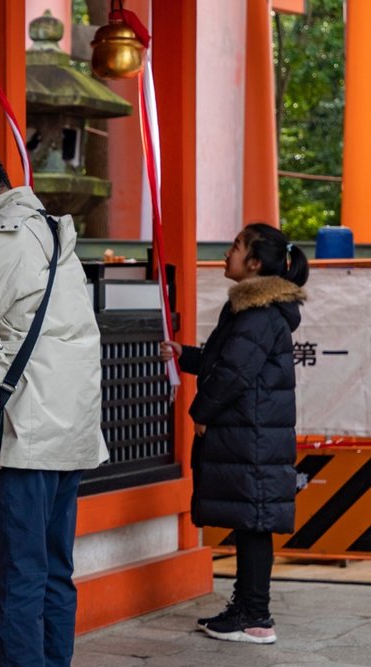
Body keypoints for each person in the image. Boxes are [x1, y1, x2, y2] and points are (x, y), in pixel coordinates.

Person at [0, 141, 108, 667]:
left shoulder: (2, 238)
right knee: (52, 572)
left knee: (14, 580)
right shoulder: (51, 231)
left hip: (21, 435)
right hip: (66, 434)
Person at [161, 223, 308, 645]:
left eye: (236, 248)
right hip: (252, 431)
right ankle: (245, 607)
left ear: (256, 264)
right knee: (250, 521)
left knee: (255, 521)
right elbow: (223, 359)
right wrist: (185, 355)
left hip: (253, 433)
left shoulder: (260, 313)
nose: (227, 254)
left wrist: (201, 411)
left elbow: (234, 371)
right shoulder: (253, 309)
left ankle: (256, 617)